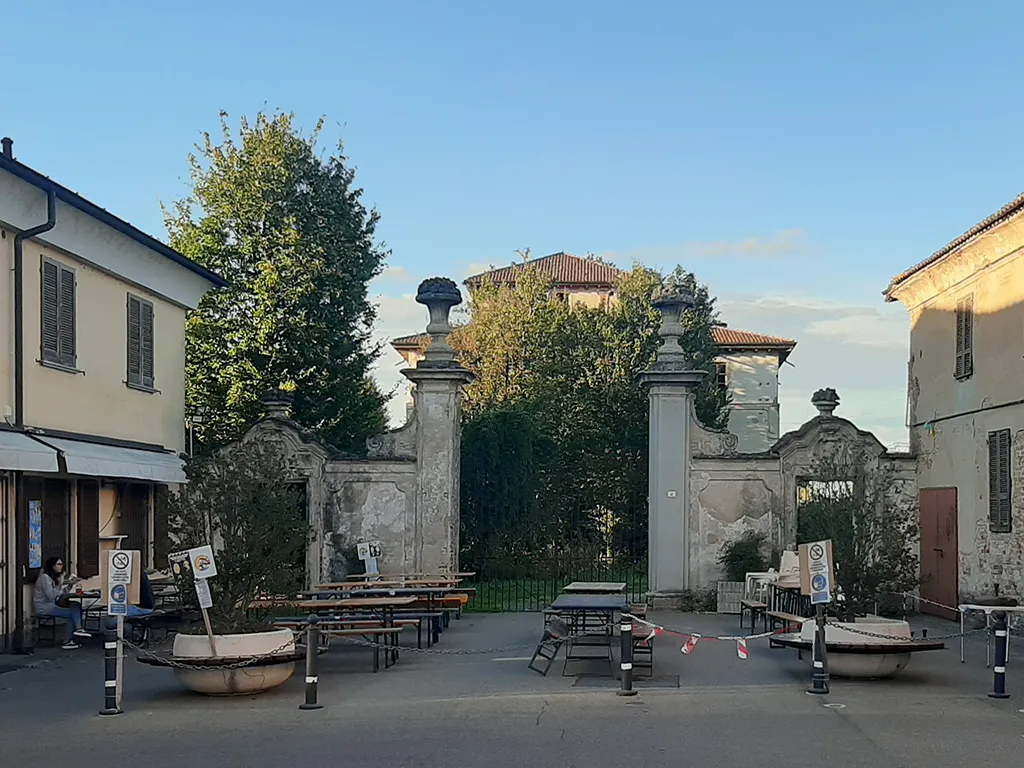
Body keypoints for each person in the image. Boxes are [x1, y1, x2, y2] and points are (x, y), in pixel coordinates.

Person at [34, 557, 91, 649]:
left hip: (52, 604)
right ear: (52, 566)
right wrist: (60, 582)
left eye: (61, 564)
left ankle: (78, 629)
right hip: (45, 607)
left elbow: (60, 594)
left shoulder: (52, 578)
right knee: (72, 614)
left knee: (75, 605)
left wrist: (70, 585)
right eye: (59, 564)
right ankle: (69, 639)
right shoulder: (45, 578)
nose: (61, 566)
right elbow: (51, 596)